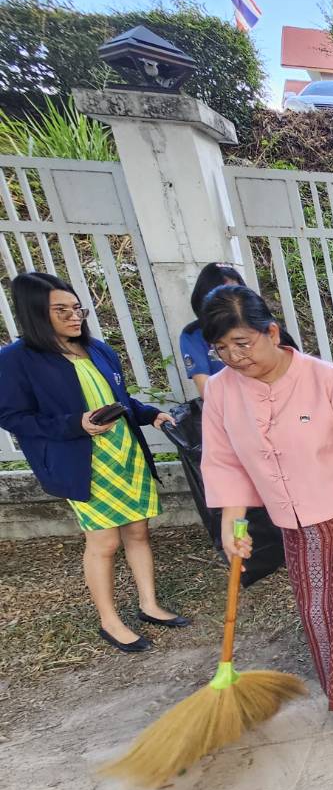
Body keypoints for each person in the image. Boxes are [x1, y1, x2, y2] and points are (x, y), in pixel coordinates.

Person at [200, 287, 333, 739]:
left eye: (243, 343)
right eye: (221, 349)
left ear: (272, 332)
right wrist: (231, 523)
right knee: (321, 613)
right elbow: (225, 461)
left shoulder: (324, 377)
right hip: (294, 526)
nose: (234, 358)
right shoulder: (221, 391)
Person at [0, 272, 188, 652]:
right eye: (62, 310)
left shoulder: (98, 349)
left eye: (77, 308)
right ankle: (109, 620)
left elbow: (119, 399)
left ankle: (149, 605)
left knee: (138, 532)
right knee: (103, 542)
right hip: (84, 462)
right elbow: (12, 416)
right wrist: (75, 425)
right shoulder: (16, 360)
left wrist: (149, 414)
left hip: (127, 454)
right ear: (36, 313)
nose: (75, 317)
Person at [179, 264, 243, 396]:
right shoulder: (193, 335)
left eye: (237, 293)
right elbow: (206, 390)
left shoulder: (257, 326)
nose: (231, 302)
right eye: (223, 297)